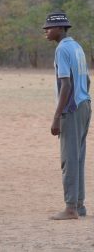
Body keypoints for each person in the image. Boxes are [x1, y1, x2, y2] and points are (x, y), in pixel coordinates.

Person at [43, 12, 91, 220]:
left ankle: (70, 208)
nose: (46, 31)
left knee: (69, 159)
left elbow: (66, 84)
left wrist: (57, 116)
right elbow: (87, 80)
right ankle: (79, 205)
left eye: (49, 28)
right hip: (84, 105)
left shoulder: (62, 49)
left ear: (61, 29)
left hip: (71, 109)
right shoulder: (77, 46)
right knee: (78, 156)